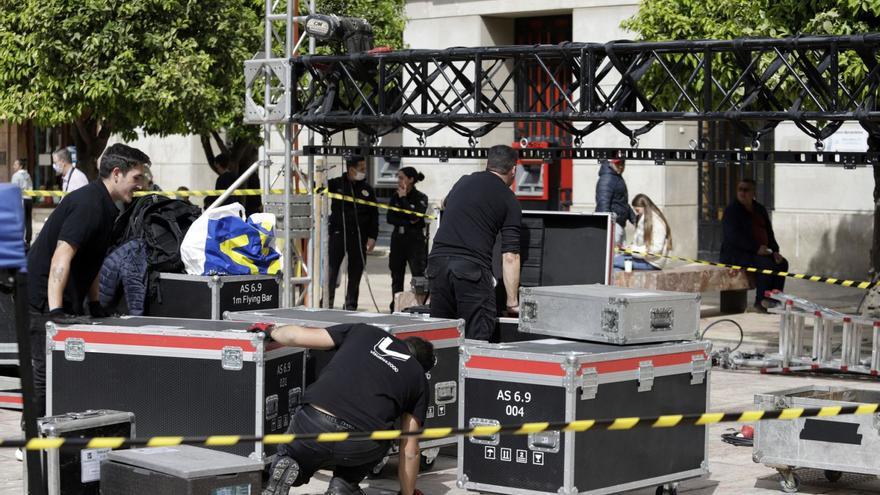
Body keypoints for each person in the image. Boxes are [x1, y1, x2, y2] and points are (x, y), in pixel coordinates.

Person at [26, 143, 147, 416]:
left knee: (64, 368)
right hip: (43, 295)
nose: (141, 185)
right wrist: (56, 311)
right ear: (117, 173)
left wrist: (95, 304)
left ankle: (61, 431)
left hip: (64, 293)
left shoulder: (107, 206)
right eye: (136, 178)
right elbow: (61, 256)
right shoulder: (89, 205)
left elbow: (91, 261)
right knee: (46, 370)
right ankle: (32, 438)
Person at [252, 321, 433, 495]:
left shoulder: (364, 332)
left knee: (296, 453)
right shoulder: (418, 378)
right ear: (422, 366)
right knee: (387, 435)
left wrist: (271, 331)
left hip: (313, 422)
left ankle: (291, 462)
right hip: (360, 442)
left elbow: (296, 336)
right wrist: (407, 493)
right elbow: (410, 449)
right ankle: (345, 485)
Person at [426, 145, 521, 340]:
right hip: (470, 269)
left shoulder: (465, 181)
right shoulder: (509, 199)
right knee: (475, 337)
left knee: (442, 337)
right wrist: (512, 302)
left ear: (488, 164)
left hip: (437, 265)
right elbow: (510, 256)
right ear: (513, 170)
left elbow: (445, 203)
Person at [720, 178, 788, 312]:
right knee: (766, 265)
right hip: (737, 254)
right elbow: (734, 237)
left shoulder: (759, 209)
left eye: (746, 190)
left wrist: (774, 251)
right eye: (740, 189)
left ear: (753, 192)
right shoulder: (732, 211)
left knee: (782, 263)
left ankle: (774, 300)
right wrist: (756, 248)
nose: (742, 193)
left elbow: (769, 232)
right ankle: (760, 302)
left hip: (760, 251)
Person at [327, 155, 378, 310]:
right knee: (332, 270)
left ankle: (350, 305)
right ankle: (327, 303)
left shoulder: (367, 189)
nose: (364, 171)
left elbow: (374, 214)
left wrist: (372, 237)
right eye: (361, 169)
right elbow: (315, 187)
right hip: (339, 234)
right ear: (351, 169)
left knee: (355, 273)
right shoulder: (336, 184)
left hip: (359, 236)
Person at [388, 167, 429, 312]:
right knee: (396, 276)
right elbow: (390, 218)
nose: (398, 181)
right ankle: (396, 307)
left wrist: (404, 199)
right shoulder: (395, 196)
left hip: (415, 241)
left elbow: (415, 217)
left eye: (401, 178)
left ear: (410, 180)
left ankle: (421, 307)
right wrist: (408, 222)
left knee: (418, 277)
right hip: (398, 240)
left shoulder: (421, 197)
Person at [615, 193, 672, 271]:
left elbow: (656, 249)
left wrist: (633, 249)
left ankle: (614, 283)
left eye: (637, 210)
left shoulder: (657, 222)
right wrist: (628, 248)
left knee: (613, 262)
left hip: (652, 262)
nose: (636, 213)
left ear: (645, 207)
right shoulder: (643, 219)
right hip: (643, 258)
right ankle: (618, 283)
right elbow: (639, 243)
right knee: (614, 264)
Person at [595, 158, 636, 247]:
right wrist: (609, 227)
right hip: (613, 225)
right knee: (614, 257)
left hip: (618, 224)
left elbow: (622, 202)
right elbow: (603, 205)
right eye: (618, 164)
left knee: (620, 256)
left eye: (622, 163)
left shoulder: (616, 177)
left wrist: (634, 220)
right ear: (610, 163)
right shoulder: (607, 178)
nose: (621, 166)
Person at [10, 158, 33, 247]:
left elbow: (14, 189)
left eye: (15, 164)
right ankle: (28, 240)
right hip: (29, 199)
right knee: (28, 220)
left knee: (21, 220)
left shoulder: (16, 176)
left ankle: (20, 240)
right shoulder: (27, 175)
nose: (13, 166)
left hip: (21, 199)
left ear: (20, 166)